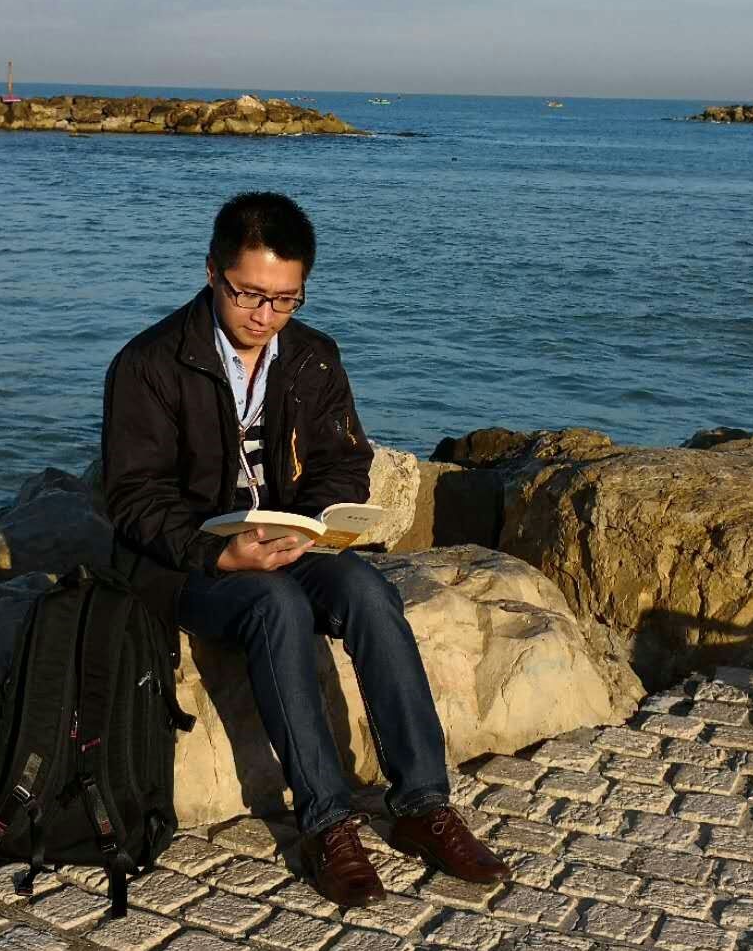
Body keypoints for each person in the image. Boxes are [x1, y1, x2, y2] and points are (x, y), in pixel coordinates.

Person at [101, 191, 509, 907]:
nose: (264, 315)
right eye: (248, 294)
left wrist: (311, 523)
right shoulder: (149, 364)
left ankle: (422, 805)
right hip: (188, 563)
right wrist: (219, 553)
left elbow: (344, 463)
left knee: (369, 593)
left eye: (284, 300)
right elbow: (133, 496)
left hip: (289, 542)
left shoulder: (314, 357)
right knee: (276, 607)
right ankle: (325, 824)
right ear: (212, 273)